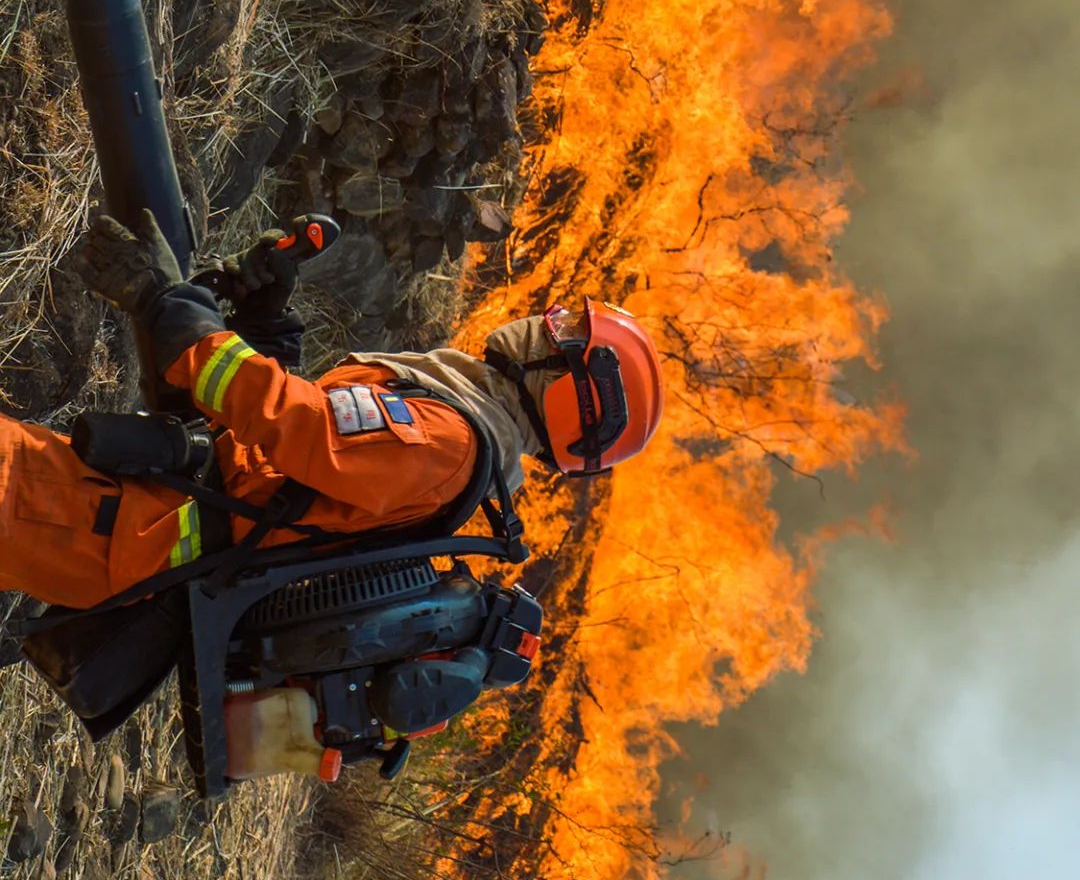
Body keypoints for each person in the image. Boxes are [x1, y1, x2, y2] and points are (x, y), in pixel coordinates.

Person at [0, 211, 664, 611]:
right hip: (131, 513)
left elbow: (299, 428)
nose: (544, 321)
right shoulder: (454, 420)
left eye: (565, 329)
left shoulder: (449, 443)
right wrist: (266, 319)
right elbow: (289, 474)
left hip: (122, 529)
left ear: (573, 388)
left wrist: (163, 302)